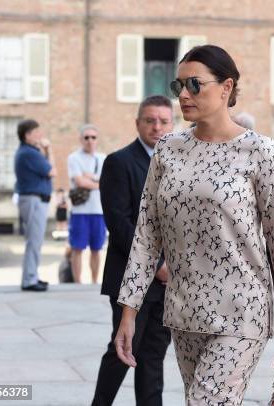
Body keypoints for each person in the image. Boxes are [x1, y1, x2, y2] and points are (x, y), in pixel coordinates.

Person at [114, 45, 274, 405]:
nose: (183, 95)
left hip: (241, 312)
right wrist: (129, 311)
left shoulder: (260, 151)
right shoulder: (168, 148)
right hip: (184, 311)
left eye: (194, 85)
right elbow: (146, 234)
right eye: (178, 86)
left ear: (226, 87)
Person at [92, 95, 174, 406]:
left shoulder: (177, 162)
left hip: (168, 283)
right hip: (131, 279)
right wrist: (157, 265)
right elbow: (120, 223)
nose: (157, 126)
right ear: (137, 123)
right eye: (150, 120)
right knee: (122, 351)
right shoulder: (119, 162)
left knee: (153, 357)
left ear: (172, 124)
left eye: (164, 121)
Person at [14, 119, 56, 292]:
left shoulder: (29, 152)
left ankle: (31, 276)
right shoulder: (30, 153)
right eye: (36, 132)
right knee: (34, 241)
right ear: (28, 135)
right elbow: (52, 171)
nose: (40, 135)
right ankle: (29, 280)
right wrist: (49, 149)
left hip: (34, 199)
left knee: (35, 241)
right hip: (33, 199)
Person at [67, 124, 106, 284]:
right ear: (81, 139)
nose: (90, 140)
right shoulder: (73, 158)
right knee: (77, 248)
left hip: (99, 210)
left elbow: (107, 182)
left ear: (97, 140)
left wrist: (90, 178)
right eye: (86, 137)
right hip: (79, 211)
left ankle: (94, 281)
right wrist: (98, 181)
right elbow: (79, 181)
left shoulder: (103, 158)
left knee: (97, 249)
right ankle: (77, 283)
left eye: (93, 137)